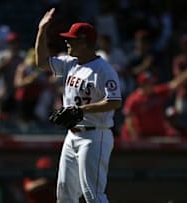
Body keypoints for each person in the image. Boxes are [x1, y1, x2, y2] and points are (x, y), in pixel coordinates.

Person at [35, 8, 122, 203]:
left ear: (84, 42)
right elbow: (41, 62)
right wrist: (42, 29)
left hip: (95, 135)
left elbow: (115, 101)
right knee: (64, 195)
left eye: (72, 39)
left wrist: (80, 110)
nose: (67, 42)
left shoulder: (104, 69)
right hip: (72, 135)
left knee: (93, 195)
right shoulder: (69, 63)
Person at [120, 63, 187, 141]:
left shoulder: (158, 92)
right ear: (142, 85)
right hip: (143, 137)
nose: (152, 85)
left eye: (152, 83)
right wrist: (135, 139)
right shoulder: (134, 99)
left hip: (160, 135)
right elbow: (129, 120)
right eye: (149, 83)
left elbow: (175, 84)